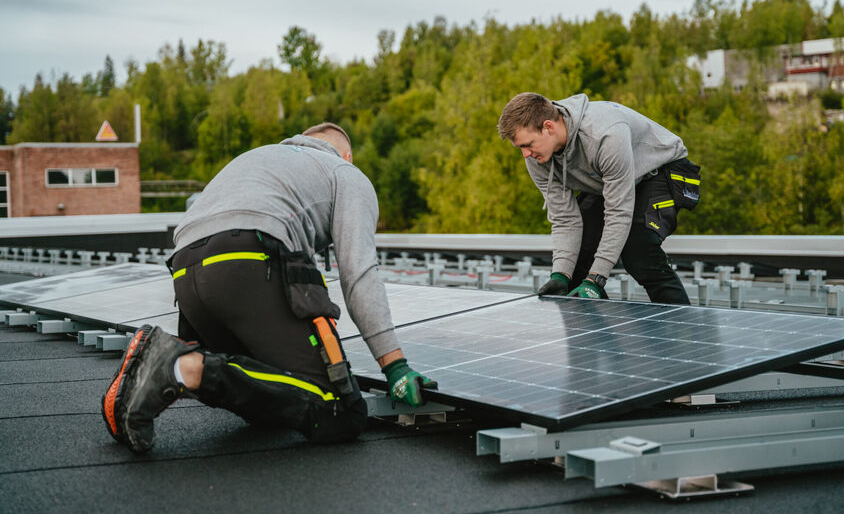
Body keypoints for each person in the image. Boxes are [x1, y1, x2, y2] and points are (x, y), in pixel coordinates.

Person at [102, 122, 436, 453]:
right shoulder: (344, 172)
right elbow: (359, 273)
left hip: (184, 271)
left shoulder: (258, 158)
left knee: (269, 394)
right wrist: (394, 366)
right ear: (347, 155)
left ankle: (153, 375)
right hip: (247, 258)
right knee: (339, 411)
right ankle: (179, 365)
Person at [497, 93, 700, 305]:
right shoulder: (537, 159)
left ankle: (681, 328)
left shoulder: (606, 134)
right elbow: (565, 219)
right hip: (608, 185)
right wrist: (560, 275)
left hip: (661, 171)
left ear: (548, 127)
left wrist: (595, 279)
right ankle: (598, 335)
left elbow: (618, 211)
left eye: (528, 144)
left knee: (638, 250)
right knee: (574, 269)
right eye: (520, 147)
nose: (526, 155)